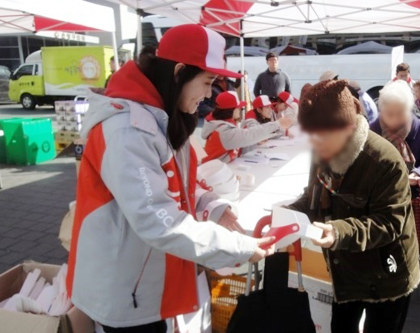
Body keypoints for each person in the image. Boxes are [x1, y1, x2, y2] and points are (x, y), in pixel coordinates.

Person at [67, 24, 276, 333]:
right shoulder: (128, 130)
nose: (209, 94)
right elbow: (158, 220)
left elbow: (180, 183)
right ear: (179, 72)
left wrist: (213, 206)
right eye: (207, 82)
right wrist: (239, 247)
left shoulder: (160, 115)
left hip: (146, 277)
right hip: (125, 290)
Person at [289, 79, 419, 333]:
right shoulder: (321, 151)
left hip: (386, 275)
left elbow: (389, 223)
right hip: (345, 270)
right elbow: (313, 194)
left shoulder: (385, 160)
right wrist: (290, 212)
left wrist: (338, 232)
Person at [371, 80, 420, 197]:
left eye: (400, 113)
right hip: (380, 196)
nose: (394, 119)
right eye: (389, 113)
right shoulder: (372, 130)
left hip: (413, 195)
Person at [201, 91, 292, 163]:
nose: (240, 109)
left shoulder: (225, 125)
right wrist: (277, 124)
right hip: (212, 173)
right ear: (230, 111)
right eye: (238, 107)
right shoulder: (223, 132)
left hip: (222, 167)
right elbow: (250, 135)